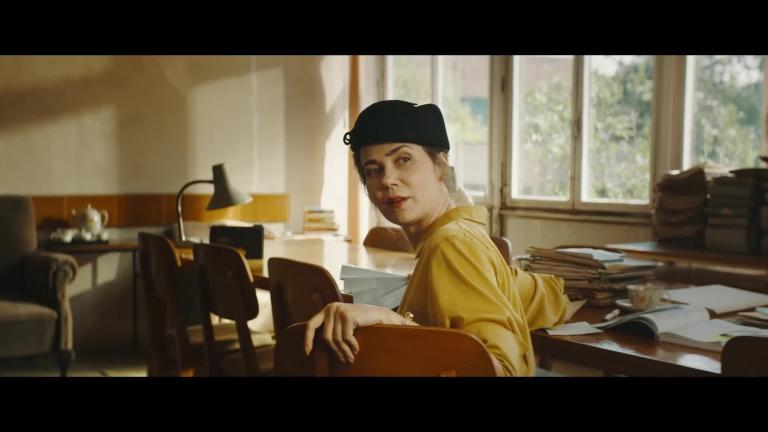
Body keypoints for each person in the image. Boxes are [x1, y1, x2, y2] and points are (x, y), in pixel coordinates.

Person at [303, 100, 569, 376]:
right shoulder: (457, 236)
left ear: (441, 164)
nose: (388, 179)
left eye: (403, 159)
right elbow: (530, 292)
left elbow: (500, 370)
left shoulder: (452, 244)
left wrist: (390, 321)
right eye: (373, 170)